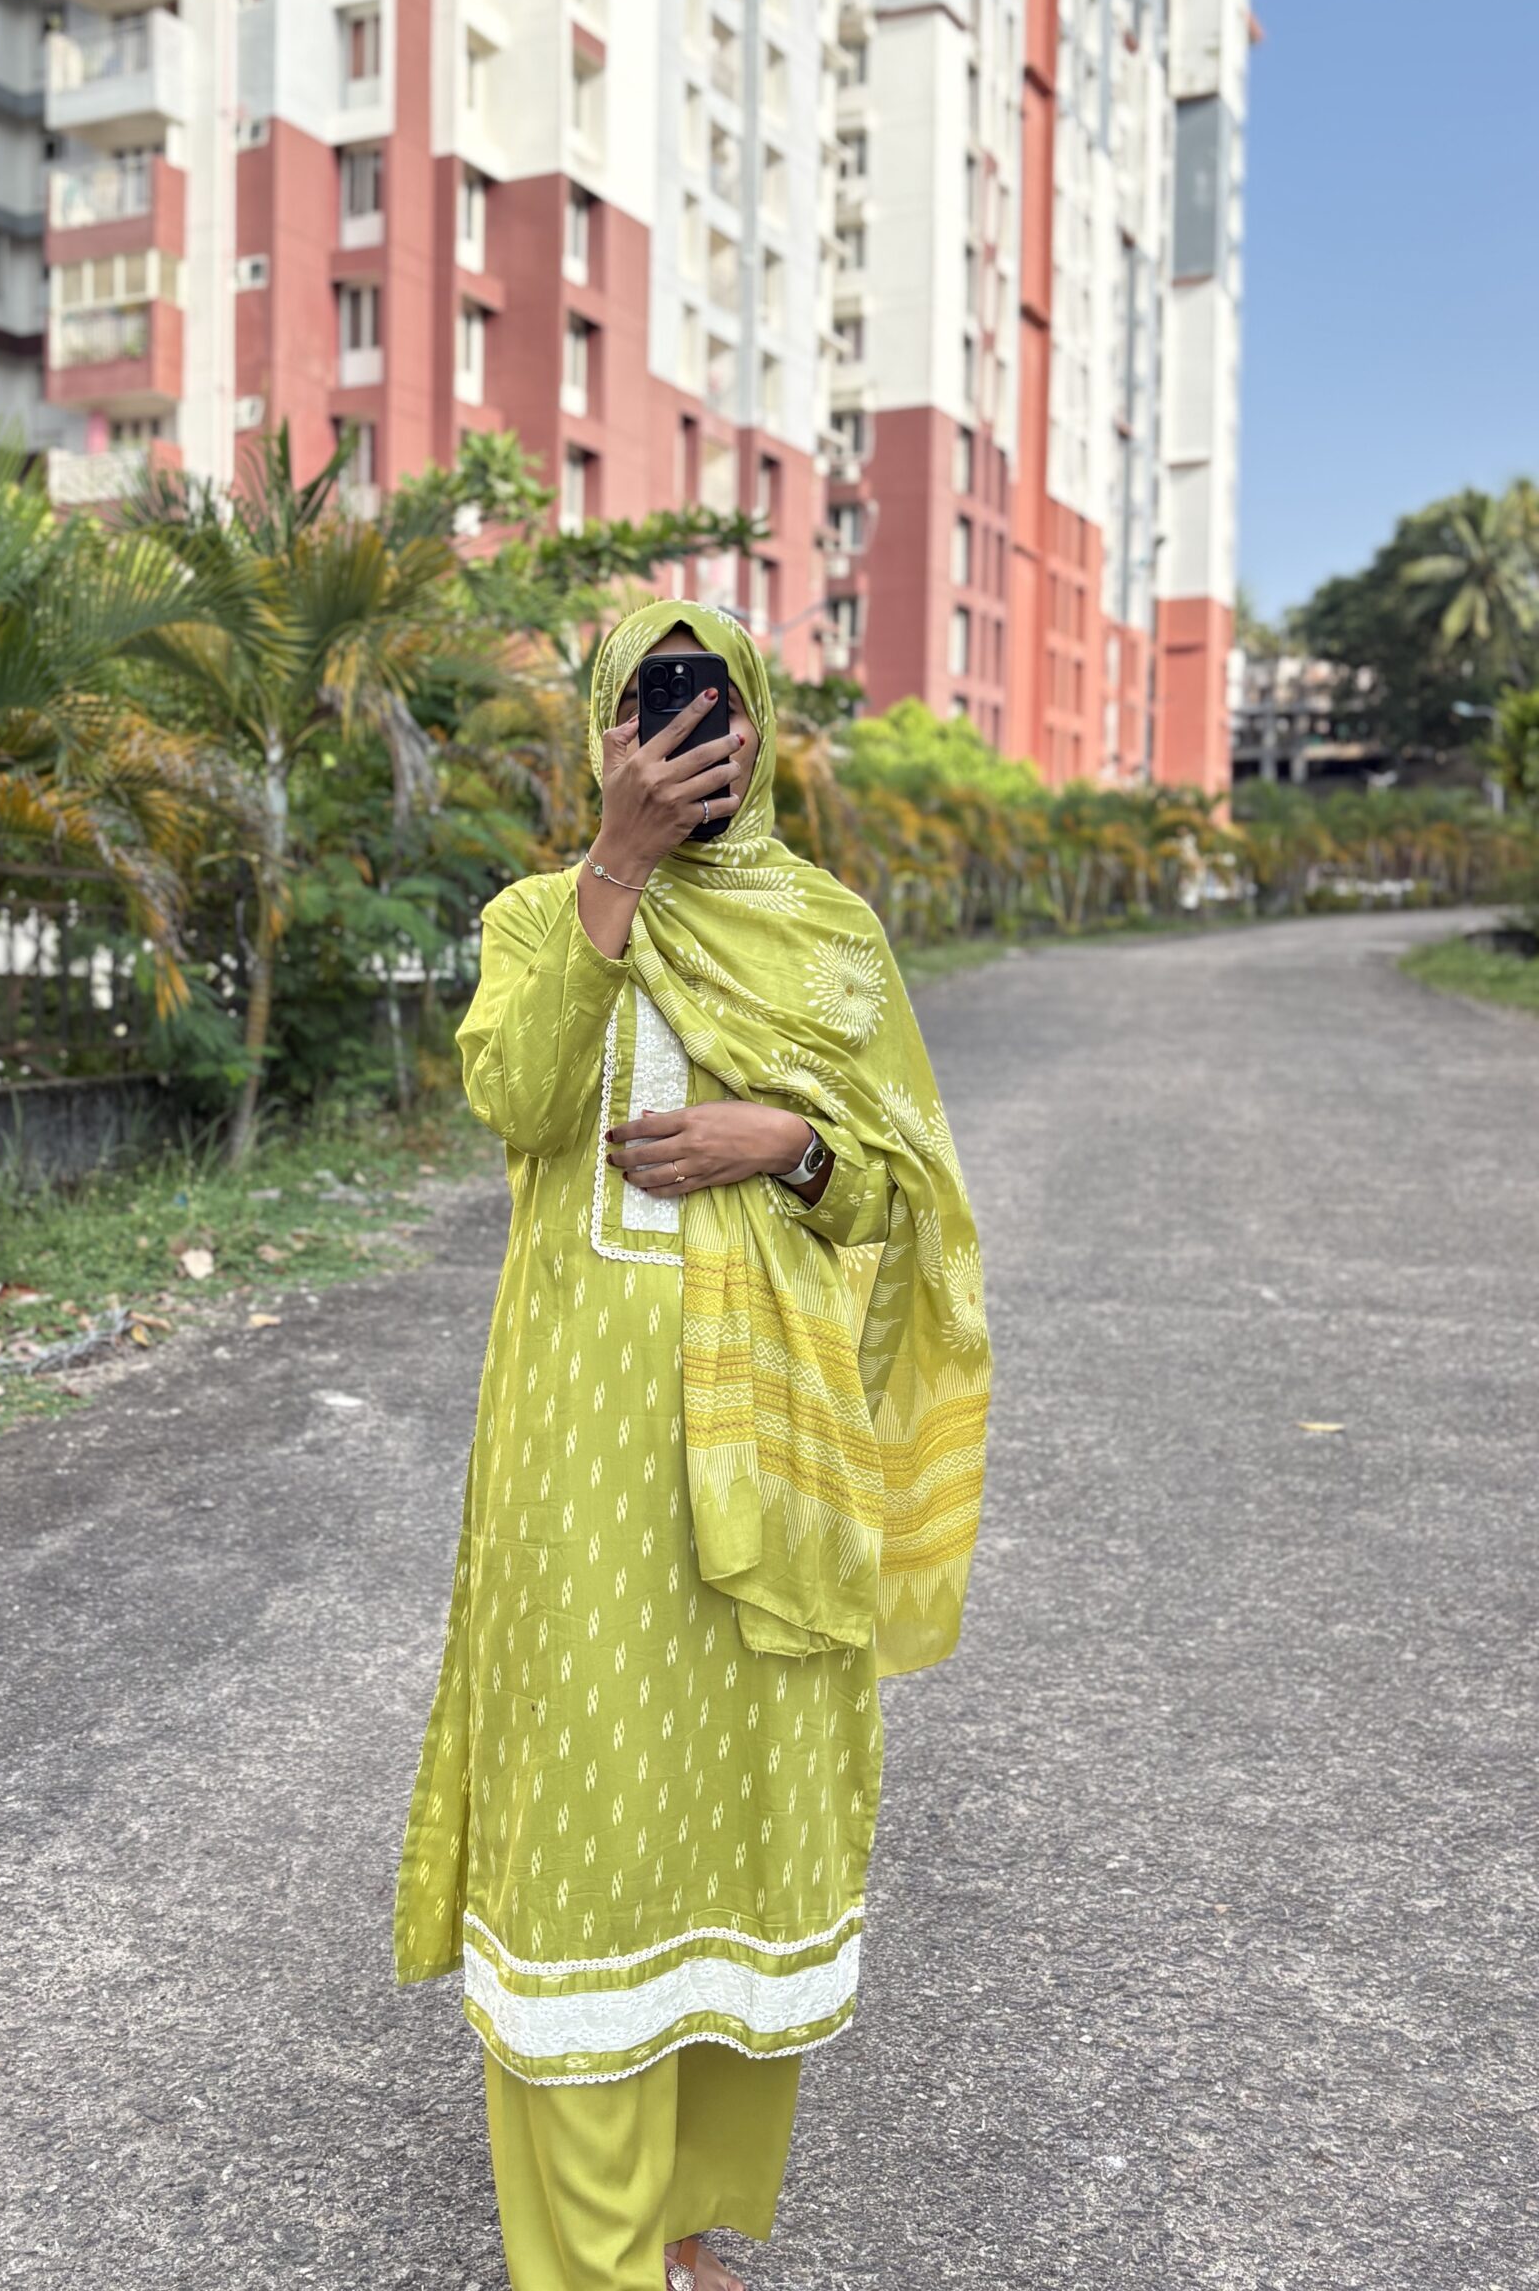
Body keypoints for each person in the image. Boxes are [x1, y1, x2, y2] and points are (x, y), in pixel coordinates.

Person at [393, 599, 991, 2291]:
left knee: (739, 1818)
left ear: (761, 728)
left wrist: (788, 1141)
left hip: (780, 1461)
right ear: (604, 733)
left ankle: (679, 2225)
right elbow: (514, 1096)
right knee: (583, 1836)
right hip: (578, 1463)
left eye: (708, 705)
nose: (682, 736)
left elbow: (903, 1194)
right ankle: (586, 2261)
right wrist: (615, 866)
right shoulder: (538, 911)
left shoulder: (828, 934)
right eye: (651, 709)